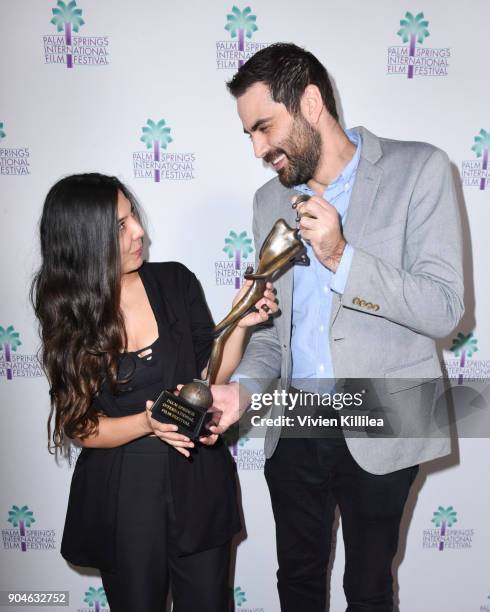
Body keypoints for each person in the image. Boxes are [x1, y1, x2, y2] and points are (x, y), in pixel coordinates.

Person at [208, 44, 465, 611]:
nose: (257, 148)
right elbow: (272, 332)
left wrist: (342, 257)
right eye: (249, 134)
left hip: (386, 417)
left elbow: (445, 307)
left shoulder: (418, 170)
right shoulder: (267, 201)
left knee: (369, 590)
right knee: (296, 585)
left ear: (311, 102)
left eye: (264, 127)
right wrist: (242, 390)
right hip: (296, 424)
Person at [30, 173, 277, 612]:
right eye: (120, 227)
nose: (139, 231)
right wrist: (146, 423)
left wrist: (239, 324)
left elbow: (208, 375)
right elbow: (79, 425)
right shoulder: (68, 313)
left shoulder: (175, 282)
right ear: (84, 243)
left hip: (198, 482)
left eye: (133, 217)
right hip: (124, 495)